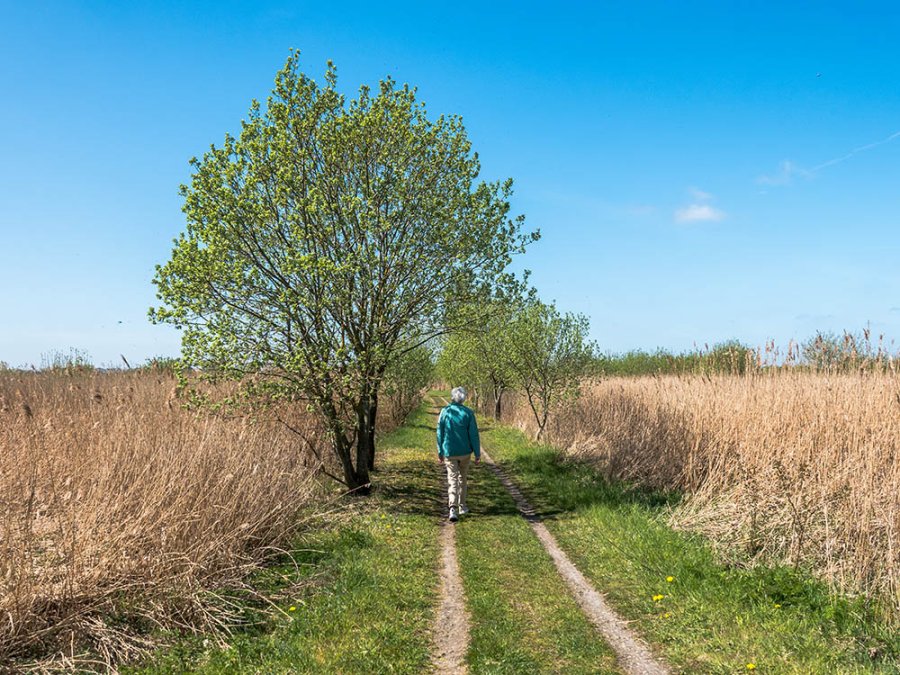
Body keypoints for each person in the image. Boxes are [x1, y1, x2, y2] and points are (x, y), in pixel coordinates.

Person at [436, 386, 481, 522]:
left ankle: (452, 509)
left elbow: (440, 432)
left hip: (449, 451)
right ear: (463, 398)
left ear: (452, 397)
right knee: (463, 478)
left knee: (452, 479)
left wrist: (440, 451)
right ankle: (462, 506)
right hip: (465, 452)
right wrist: (477, 453)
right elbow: (473, 435)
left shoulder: (445, 411)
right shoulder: (468, 413)